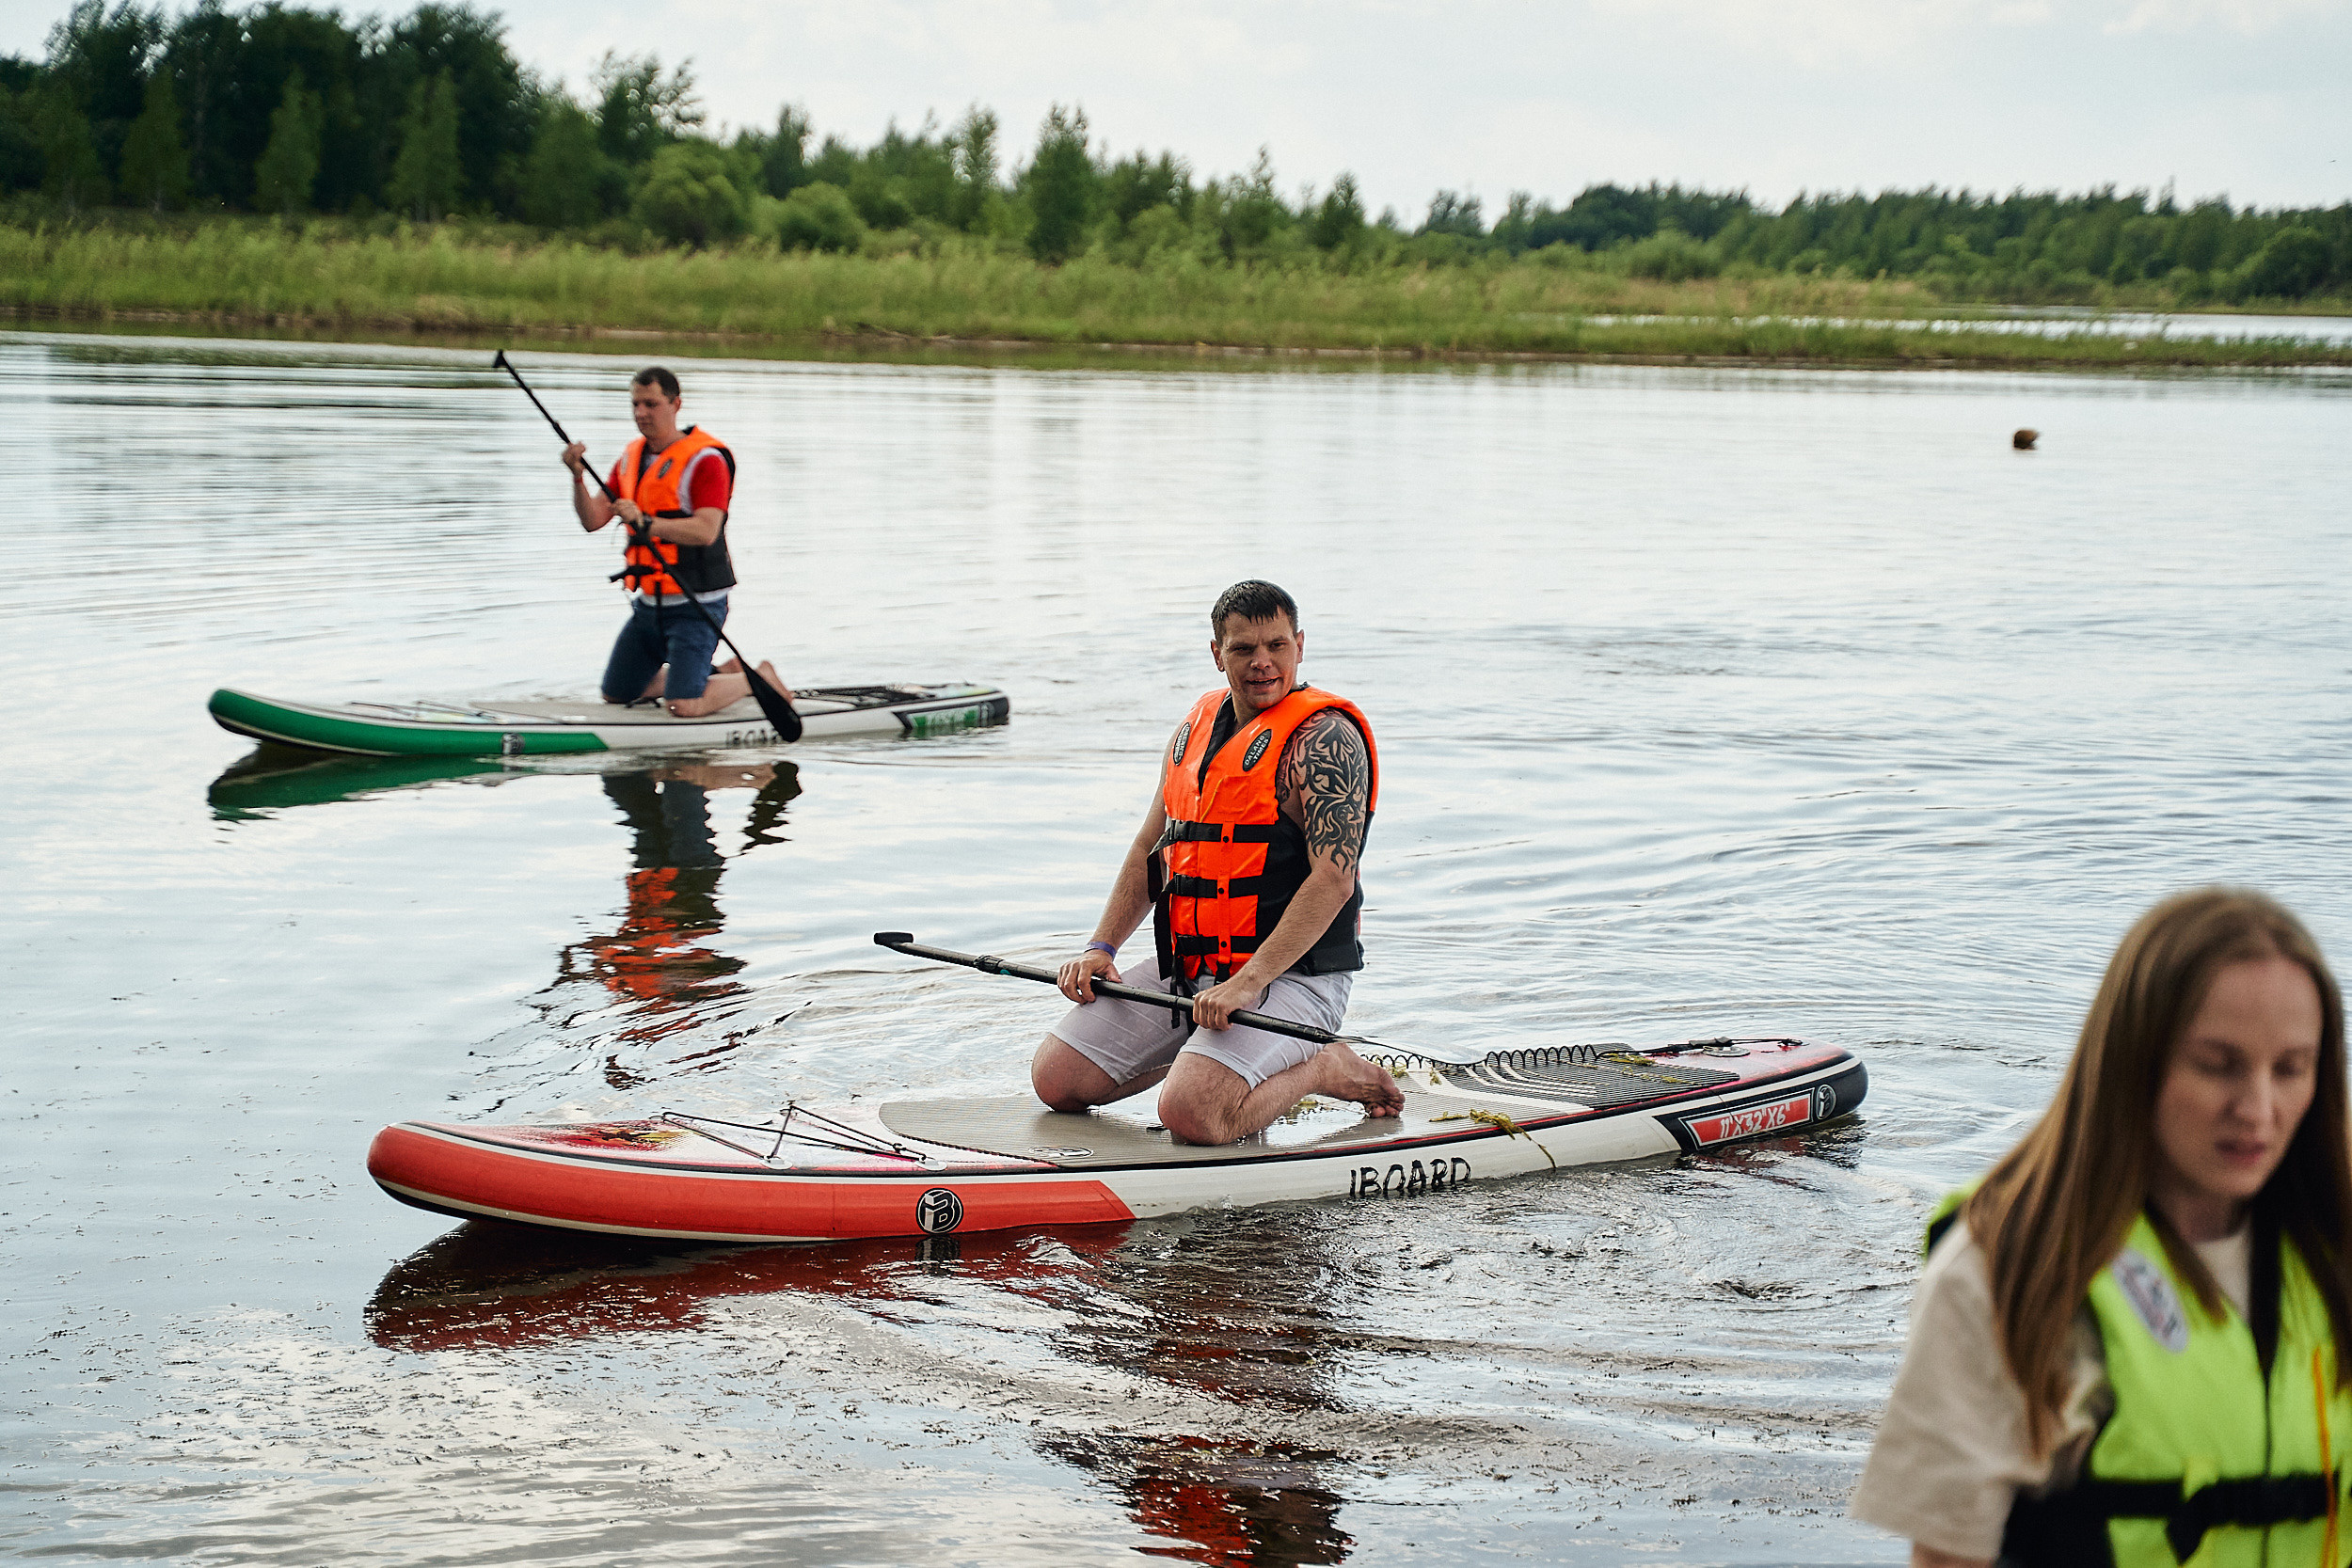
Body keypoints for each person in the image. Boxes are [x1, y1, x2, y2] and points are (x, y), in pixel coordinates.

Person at [1852, 887, 2352, 1567]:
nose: (2259, 1108)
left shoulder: (2334, 1255)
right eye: (2217, 1063)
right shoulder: (2004, 1269)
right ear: (2133, 1060)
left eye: (2292, 1068)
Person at [1031, 579, 1406, 1145]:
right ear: (1216, 653)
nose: (1263, 664)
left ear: (1299, 645)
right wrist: (1100, 948)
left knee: (1193, 1115)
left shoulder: (1326, 738)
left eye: (1277, 646)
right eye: (1243, 649)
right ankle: (1210, 1060)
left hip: (1292, 976)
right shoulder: (1193, 732)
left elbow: (1332, 881)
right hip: (1192, 968)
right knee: (1058, 1081)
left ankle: (1321, 1068)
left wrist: (1247, 983)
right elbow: (1149, 851)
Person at [563, 365, 787, 718]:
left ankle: (756, 679)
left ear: (675, 404)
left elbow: (705, 531)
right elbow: (593, 520)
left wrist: (646, 522)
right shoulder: (630, 459)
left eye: (651, 404)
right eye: (636, 404)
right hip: (650, 605)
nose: (641, 413)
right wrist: (577, 478)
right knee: (618, 694)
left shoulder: (706, 460)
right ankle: (721, 674)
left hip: (696, 604)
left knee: (682, 705)